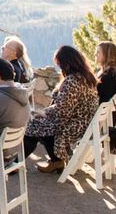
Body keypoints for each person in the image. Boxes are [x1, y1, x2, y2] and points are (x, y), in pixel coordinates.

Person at [25, 45, 100, 173]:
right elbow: (66, 107)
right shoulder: (85, 77)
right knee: (39, 124)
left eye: (59, 63)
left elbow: (62, 111)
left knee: (35, 125)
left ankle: (16, 164)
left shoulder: (72, 81)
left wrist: (43, 112)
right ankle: (56, 160)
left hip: (74, 125)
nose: (59, 67)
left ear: (67, 63)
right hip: (83, 123)